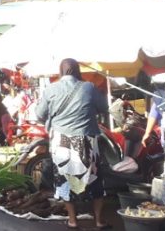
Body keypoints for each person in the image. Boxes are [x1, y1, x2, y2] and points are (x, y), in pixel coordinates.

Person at [35, 58, 110, 230]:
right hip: (87, 142)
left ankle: (73, 220)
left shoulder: (50, 89)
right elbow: (104, 107)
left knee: (65, 180)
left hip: (62, 143)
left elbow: (39, 115)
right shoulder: (89, 87)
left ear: (61, 71)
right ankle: (98, 221)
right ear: (77, 71)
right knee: (96, 180)